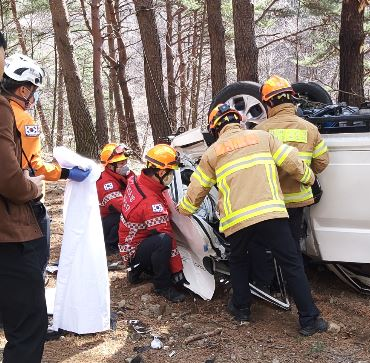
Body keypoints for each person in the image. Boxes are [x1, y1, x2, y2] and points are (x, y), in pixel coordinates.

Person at [177, 104, 329, 336]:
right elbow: (292, 162)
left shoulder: (212, 153)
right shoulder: (262, 137)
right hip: (271, 212)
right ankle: (309, 319)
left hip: (237, 220)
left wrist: (184, 210)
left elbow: (196, 190)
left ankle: (242, 309)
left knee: (238, 261)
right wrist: (309, 179)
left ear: (215, 128)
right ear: (238, 120)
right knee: (291, 264)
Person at [1, 53, 90, 275]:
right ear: (23, 90)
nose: (34, 96)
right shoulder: (23, 119)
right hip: (23, 200)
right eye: (34, 90)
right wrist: (67, 172)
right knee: (34, 261)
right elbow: (35, 167)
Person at [0, 31, 48, 363]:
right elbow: (29, 168)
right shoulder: (17, 114)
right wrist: (39, 184)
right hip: (10, 226)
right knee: (29, 322)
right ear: (24, 89)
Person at [256, 75, 329, 249]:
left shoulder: (260, 131)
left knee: (272, 247)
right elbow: (322, 161)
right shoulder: (310, 128)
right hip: (298, 198)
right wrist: (305, 173)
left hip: (272, 202)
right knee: (293, 242)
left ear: (270, 103)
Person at [118, 144, 186, 303]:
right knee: (163, 241)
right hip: (133, 254)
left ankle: (142, 268)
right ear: (161, 172)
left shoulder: (137, 180)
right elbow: (166, 233)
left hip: (128, 244)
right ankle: (162, 285)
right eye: (171, 172)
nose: (172, 176)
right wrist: (178, 271)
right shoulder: (150, 203)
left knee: (161, 240)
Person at [97, 143, 133, 256]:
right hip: (104, 224)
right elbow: (121, 205)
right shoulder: (105, 182)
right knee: (124, 216)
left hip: (111, 219)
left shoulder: (124, 175)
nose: (125, 165)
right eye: (121, 163)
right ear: (110, 165)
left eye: (125, 162)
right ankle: (110, 246)